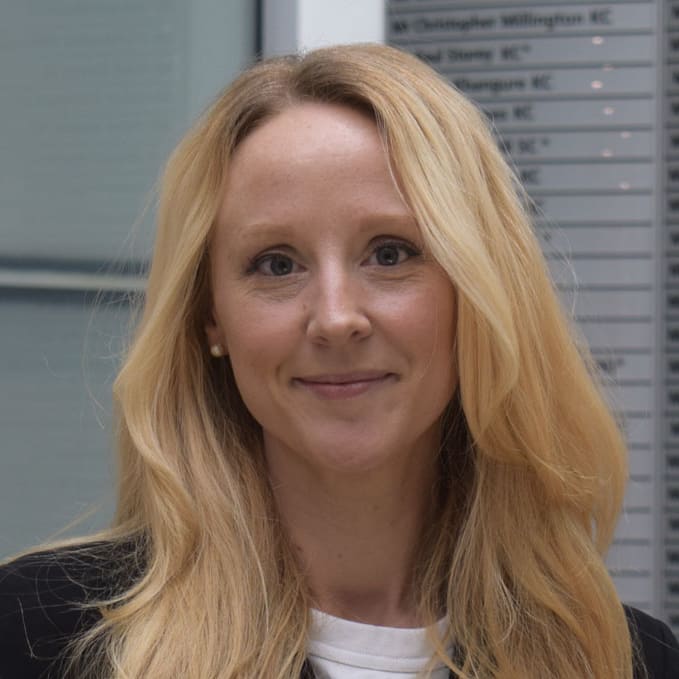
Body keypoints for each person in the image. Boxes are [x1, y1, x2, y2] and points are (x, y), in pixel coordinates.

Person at [0, 43, 677, 679]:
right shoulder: (36, 633)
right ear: (211, 318)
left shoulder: (622, 659)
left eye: (390, 253)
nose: (335, 317)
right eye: (276, 264)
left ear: (478, 292)